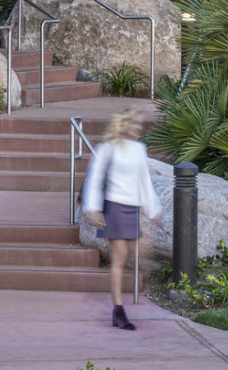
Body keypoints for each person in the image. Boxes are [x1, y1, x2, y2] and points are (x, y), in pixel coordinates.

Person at [81, 107, 161, 331]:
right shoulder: (107, 148)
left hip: (133, 208)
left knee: (139, 253)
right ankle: (118, 310)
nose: (138, 127)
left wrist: (154, 210)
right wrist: (92, 209)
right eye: (134, 123)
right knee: (119, 258)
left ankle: (123, 305)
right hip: (115, 206)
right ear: (124, 123)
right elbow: (95, 179)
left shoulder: (139, 149)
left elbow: (144, 181)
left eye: (139, 124)